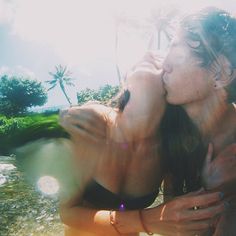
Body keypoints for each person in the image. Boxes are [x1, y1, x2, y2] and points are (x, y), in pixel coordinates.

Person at [59, 51, 225, 235]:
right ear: (126, 81)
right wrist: (146, 220)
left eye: (160, 61)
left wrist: (207, 186)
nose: (147, 54)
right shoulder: (95, 122)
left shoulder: (168, 153)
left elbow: (175, 222)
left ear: (170, 87)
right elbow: (67, 212)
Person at [160, 7, 236, 235]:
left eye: (177, 51)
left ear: (220, 73)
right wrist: (208, 189)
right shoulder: (175, 134)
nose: (164, 65)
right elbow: (173, 226)